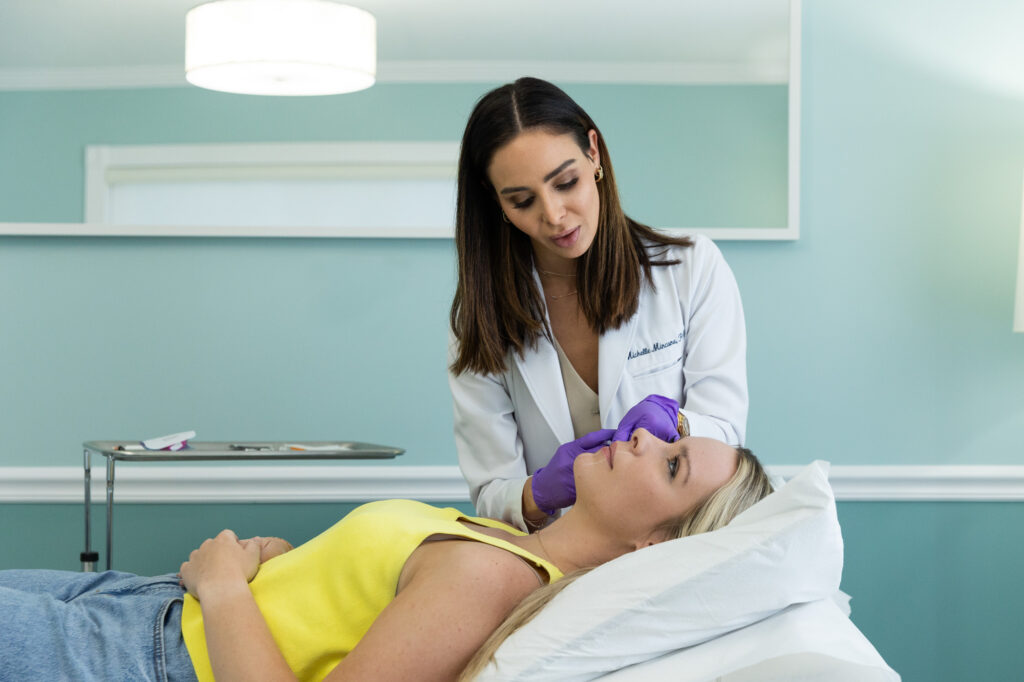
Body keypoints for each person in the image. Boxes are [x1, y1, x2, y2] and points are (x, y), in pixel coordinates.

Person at [0, 432, 771, 682]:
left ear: (656, 545)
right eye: (671, 438)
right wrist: (288, 563)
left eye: (671, 465)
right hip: (143, 605)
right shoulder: (507, 542)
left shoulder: (495, 578)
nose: (643, 437)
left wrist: (226, 586)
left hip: (150, 656)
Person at [448, 76, 749, 532]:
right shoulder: (481, 320)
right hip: (560, 554)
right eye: (523, 201)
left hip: (675, 546)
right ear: (498, 204)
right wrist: (539, 492)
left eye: (566, 182)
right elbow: (492, 494)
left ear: (593, 153)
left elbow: (726, 438)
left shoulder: (691, 268)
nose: (554, 215)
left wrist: (680, 423)